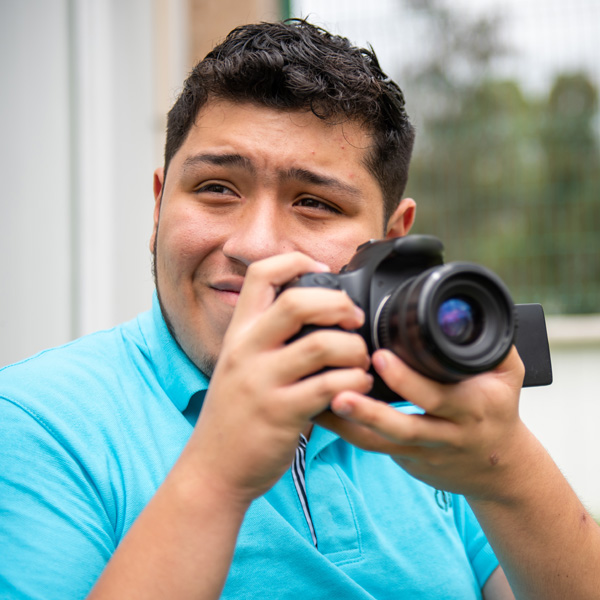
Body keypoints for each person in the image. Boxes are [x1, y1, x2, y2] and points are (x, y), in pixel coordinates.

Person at [1, 19, 599, 600]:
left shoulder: (428, 418)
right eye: (216, 188)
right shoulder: (36, 425)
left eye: (314, 202)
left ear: (389, 242)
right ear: (159, 208)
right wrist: (216, 478)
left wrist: (504, 468)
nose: (256, 246)